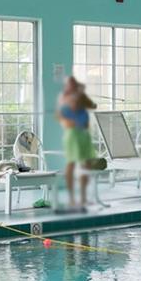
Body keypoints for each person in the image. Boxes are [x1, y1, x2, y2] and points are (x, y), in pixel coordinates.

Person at [58, 76, 97, 211]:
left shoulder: (80, 96)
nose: (72, 86)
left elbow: (92, 105)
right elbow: (73, 106)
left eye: (74, 84)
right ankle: (71, 198)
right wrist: (80, 93)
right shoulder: (66, 97)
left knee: (87, 164)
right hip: (72, 134)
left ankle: (83, 197)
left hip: (84, 134)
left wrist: (82, 92)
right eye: (70, 84)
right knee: (71, 163)